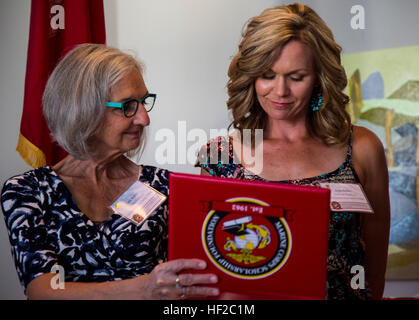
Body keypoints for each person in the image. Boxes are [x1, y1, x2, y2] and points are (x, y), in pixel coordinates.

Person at [196, 3, 390, 300]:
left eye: (296, 77)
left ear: (319, 79)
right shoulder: (219, 155)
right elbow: (209, 262)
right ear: (250, 76)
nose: (280, 91)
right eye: (267, 75)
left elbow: (374, 263)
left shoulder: (363, 147)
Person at [1, 43, 219, 299]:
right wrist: (143, 289)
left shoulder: (161, 185)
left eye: (143, 102)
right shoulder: (28, 192)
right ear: (83, 109)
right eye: (128, 105)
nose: (143, 119)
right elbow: (42, 290)